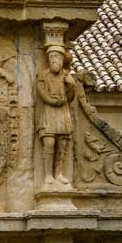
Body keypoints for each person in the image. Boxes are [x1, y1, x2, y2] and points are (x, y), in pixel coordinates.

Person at [35, 45, 77, 185]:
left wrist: (71, 85)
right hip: (48, 112)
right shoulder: (43, 75)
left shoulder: (66, 75)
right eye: (52, 56)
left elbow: (70, 97)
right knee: (49, 143)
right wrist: (54, 101)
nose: (54, 59)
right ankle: (48, 175)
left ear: (62, 59)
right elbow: (43, 94)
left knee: (62, 143)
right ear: (48, 59)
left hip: (62, 112)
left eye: (57, 56)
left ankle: (58, 173)